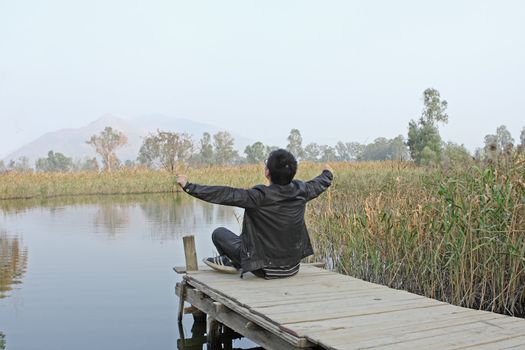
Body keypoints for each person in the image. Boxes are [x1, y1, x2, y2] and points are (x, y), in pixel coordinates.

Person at [175, 149, 333, 279]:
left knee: (219, 233)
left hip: (265, 270)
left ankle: (232, 262)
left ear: (267, 172)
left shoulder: (258, 197)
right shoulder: (302, 190)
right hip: (293, 267)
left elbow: (223, 194)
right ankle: (230, 261)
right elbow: (320, 182)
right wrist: (327, 172)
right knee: (244, 238)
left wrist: (188, 186)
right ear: (293, 172)